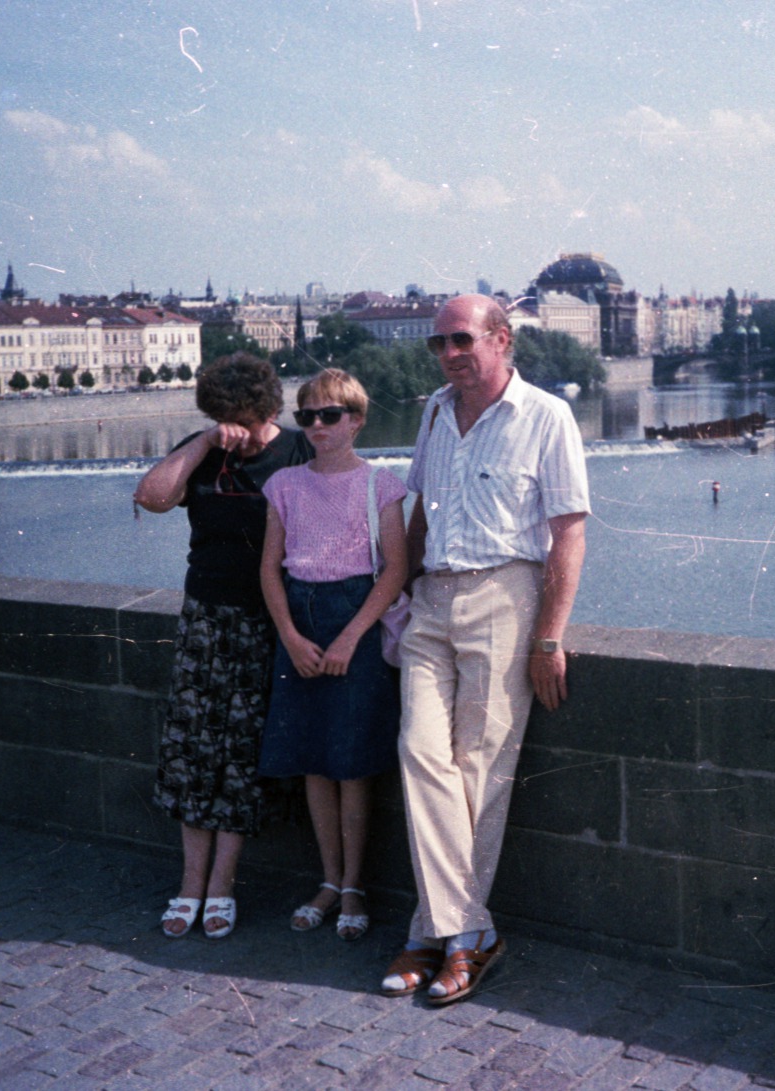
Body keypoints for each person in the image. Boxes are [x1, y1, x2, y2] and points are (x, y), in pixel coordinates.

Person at [381, 294, 590, 1005]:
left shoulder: (546, 416)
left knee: (480, 771)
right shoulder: (434, 411)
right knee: (418, 751)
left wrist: (549, 635)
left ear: (501, 340)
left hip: (506, 596)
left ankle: (436, 937)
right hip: (432, 599)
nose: (447, 354)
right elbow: (415, 515)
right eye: (438, 343)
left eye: (460, 340)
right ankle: (469, 931)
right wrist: (400, 595)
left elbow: (567, 534)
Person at [134, 353, 314, 940]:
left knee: (239, 761)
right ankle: (188, 885)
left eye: (243, 417)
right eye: (223, 416)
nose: (237, 427)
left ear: (267, 410)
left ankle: (221, 888)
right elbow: (153, 498)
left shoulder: (296, 452)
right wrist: (204, 442)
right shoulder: (206, 445)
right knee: (191, 755)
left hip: (268, 622)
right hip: (205, 619)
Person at [257, 369, 408, 942]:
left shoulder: (380, 484)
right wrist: (292, 637)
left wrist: (349, 638)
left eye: (330, 416)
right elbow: (269, 568)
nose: (318, 426)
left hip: (356, 619)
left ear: (357, 420)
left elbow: (394, 568)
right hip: (301, 618)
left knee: (351, 760)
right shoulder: (286, 484)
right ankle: (327, 878)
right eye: (308, 417)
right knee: (315, 759)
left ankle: (352, 884)